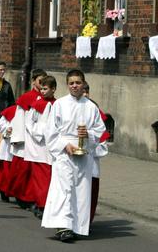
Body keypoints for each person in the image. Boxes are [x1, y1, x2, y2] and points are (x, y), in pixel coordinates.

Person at [41, 69, 105, 242]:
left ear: (83, 83)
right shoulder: (59, 104)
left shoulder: (91, 107)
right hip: (64, 153)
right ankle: (63, 226)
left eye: (78, 82)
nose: (75, 86)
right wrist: (64, 145)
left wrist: (88, 134)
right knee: (64, 189)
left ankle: (77, 226)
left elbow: (100, 131)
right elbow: (51, 131)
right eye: (71, 83)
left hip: (84, 155)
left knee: (80, 190)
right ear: (67, 85)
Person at [7, 68, 47, 209]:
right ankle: (23, 197)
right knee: (24, 171)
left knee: (37, 172)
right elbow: (19, 118)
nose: (42, 85)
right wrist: (18, 137)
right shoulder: (27, 97)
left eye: (44, 82)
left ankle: (34, 197)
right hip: (27, 138)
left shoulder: (46, 97)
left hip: (40, 140)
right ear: (33, 81)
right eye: (40, 81)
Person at [23, 75, 57, 219]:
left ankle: (46, 203)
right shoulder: (37, 103)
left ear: (53, 89)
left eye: (45, 89)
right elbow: (29, 122)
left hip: (51, 147)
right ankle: (40, 203)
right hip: (38, 147)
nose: (42, 92)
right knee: (39, 178)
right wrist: (40, 131)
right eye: (41, 89)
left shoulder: (58, 104)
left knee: (49, 178)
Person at [82, 82, 110, 225]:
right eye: (83, 91)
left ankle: (87, 221)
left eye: (87, 91)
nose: (85, 94)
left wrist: (92, 144)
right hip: (76, 159)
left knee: (91, 193)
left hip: (92, 160)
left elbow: (102, 141)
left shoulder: (94, 108)